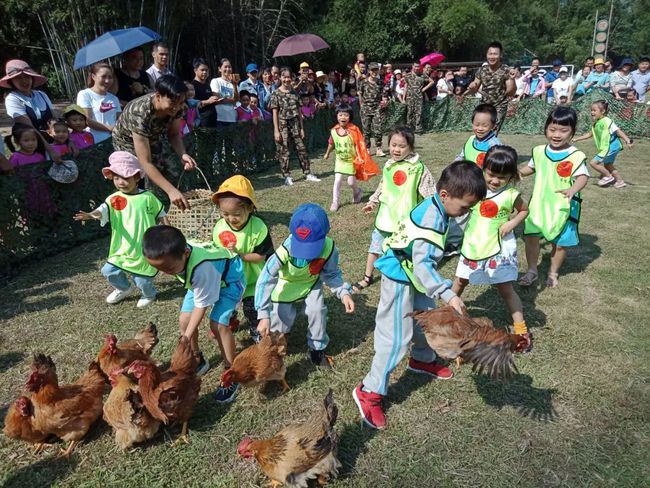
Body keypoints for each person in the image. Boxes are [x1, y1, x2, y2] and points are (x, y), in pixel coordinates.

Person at [353, 161, 487, 430]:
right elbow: (423, 264)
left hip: (413, 275)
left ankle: (421, 360)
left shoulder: (441, 209)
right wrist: (449, 295)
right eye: (464, 207)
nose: (465, 213)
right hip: (399, 277)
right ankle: (369, 391)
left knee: (426, 320)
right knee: (394, 339)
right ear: (445, 195)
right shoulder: (431, 219)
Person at [255, 203, 355, 368]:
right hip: (286, 285)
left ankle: (317, 349)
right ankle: (277, 346)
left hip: (311, 284)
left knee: (317, 312)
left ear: (325, 235)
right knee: (280, 317)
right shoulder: (285, 250)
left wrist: (343, 293)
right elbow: (266, 278)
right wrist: (263, 314)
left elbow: (331, 274)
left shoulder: (329, 248)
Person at [453, 146, 531, 351]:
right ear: (483, 169)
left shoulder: (511, 194)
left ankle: (521, 330)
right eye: (491, 175)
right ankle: (448, 317)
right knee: (460, 281)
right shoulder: (475, 188)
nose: (495, 181)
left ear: (511, 176)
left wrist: (511, 223)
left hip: (498, 248)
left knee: (505, 289)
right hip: (474, 243)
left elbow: (524, 210)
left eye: (502, 177)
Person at [142, 224, 245, 381]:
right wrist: (186, 334)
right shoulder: (176, 252)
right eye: (158, 268)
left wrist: (186, 337)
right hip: (200, 282)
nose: (164, 272)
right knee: (185, 320)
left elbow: (200, 307)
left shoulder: (202, 268)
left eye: (168, 269)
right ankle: (197, 359)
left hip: (228, 282)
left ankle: (231, 368)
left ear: (186, 253)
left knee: (218, 324)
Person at [73, 151, 165, 308]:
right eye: (116, 178)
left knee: (141, 277)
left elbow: (161, 215)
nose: (121, 182)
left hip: (143, 248)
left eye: (125, 177)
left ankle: (149, 294)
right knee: (108, 270)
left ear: (136, 177)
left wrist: (166, 234)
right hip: (121, 247)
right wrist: (90, 215)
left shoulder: (148, 197)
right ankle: (123, 288)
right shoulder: (114, 199)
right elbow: (101, 210)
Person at [353, 126, 436, 292]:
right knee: (374, 248)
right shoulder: (389, 166)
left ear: (411, 148)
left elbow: (430, 193)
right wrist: (372, 201)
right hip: (385, 218)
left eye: (402, 146)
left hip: (405, 222)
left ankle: (409, 278)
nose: (396, 150)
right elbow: (383, 186)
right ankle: (367, 277)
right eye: (393, 145)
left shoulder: (417, 168)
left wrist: (432, 214)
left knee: (405, 253)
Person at [519, 107, 589, 289]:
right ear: (545, 129)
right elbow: (531, 168)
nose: (557, 135)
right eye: (552, 129)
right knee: (532, 237)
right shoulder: (539, 151)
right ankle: (532, 270)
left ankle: (553, 272)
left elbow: (583, 176)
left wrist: (573, 189)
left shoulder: (575, 155)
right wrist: (518, 173)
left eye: (563, 131)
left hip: (563, 208)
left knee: (559, 243)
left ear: (573, 132)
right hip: (539, 205)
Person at [112, 75, 197, 210]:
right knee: (142, 182)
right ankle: (150, 215)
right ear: (158, 96)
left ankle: (175, 211)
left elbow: (174, 134)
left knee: (171, 171)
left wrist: (183, 154)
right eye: (172, 103)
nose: (176, 108)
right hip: (127, 142)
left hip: (153, 137)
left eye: (180, 102)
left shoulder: (180, 107)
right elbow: (145, 161)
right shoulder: (140, 113)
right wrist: (170, 191)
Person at [211, 175, 273, 346]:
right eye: (225, 214)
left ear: (250, 208)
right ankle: (230, 321)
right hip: (229, 280)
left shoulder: (258, 227)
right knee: (226, 305)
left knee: (252, 310)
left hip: (253, 280)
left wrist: (240, 255)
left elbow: (260, 256)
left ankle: (257, 330)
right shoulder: (220, 227)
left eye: (237, 214)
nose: (231, 219)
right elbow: (217, 252)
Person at [1, 59, 62, 162]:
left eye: (26, 76)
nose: (24, 81)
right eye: (18, 78)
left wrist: (65, 140)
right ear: (11, 82)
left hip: (53, 142)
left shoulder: (41, 95)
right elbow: (30, 127)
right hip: (31, 147)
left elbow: (54, 121)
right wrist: (50, 150)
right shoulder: (13, 98)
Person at [269, 67, 319, 186]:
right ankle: (287, 176)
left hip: (295, 124)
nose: (287, 79)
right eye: (284, 77)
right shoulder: (275, 94)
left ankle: (307, 173)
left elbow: (299, 111)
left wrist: (302, 128)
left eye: (289, 77)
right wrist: (276, 131)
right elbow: (275, 113)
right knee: (284, 151)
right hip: (283, 125)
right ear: (280, 78)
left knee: (302, 149)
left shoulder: (294, 93)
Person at [573, 100, 634, 189]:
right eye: (591, 110)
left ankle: (608, 176)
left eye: (594, 110)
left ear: (603, 111)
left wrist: (628, 141)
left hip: (610, 147)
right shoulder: (597, 123)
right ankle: (620, 182)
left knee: (593, 163)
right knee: (608, 165)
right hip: (610, 147)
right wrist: (577, 139)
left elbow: (618, 131)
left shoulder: (607, 121)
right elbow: (589, 134)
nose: (592, 112)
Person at [323, 104, 366, 211]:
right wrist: (327, 153)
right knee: (337, 180)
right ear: (337, 116)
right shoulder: (334, 131)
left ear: (350, 117)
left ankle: (357, 192)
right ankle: (335, 201)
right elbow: (331, 143)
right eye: (340, 115)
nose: (343, 117)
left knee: (351, 182)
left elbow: (357, 144)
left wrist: (360, 156)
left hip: (351, 161)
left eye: (346, 115)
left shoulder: (353, 130)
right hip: (340, 161)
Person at [465, 42, 515, 133]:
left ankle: (489, 147)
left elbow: (510, 92)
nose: (492, 56)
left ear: (500, 55)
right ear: (486, 55)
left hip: (499, 106)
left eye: (495, 54)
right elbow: (475, 84)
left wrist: (512, 79)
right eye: (490, 54)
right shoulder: (482, 70)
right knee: (481, 130)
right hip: (484, 105)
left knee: (492, 132)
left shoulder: (506, 70)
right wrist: (472, 86)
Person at [77, 63, 122, 144]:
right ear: (93, 77)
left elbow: (120, 119)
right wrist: (111, 128)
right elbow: (87, 120)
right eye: (103, 76)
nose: (107, 81)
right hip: (94, 141)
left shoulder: (114, 98)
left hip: (115, 140)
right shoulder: (85, 94)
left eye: (110, 77)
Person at [358, 62, 385, 157]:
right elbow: (360, 94)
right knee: (366, 130)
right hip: (366, 109)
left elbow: (383, 95)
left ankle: (378, 149)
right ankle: (367, 149)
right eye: (372, 70)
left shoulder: (380, 82)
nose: (374, 72)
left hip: (377, 108)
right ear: (369, 71)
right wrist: (361, 106)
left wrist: (384, 102)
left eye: (376, 70)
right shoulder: (363, 83)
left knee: (378, 129)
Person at [404, 63, 434, 133]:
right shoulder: (407, 76)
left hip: (419, 97)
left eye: (418, 66)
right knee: (409, 112)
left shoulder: (422, 75)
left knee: (418, 112)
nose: (417, 68)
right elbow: (405, 86)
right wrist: (403, 98)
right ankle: (409, 128)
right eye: (415, 66)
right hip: (409, 97)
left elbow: (432, 82)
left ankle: (418, 128)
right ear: (412, 66)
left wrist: (424, 89)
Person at [210, 58, 240, 127]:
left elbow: (237, 99)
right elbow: (216, 99)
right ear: (220, 69)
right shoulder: (215, 81)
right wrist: (233, 100)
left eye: (229, 67)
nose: (228, 69)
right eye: (225, 67)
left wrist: (234, 85)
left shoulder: (234, 83)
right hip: (220, 118)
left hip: (233, 118)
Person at [191, 58, 219, 127]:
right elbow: (192, 104)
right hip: (201, 124)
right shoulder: (192, 86)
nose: (205, 72)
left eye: (206, 70)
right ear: (195, 70)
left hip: (212, 121)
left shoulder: (207, 85)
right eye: (202, 70)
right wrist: (208, 101)